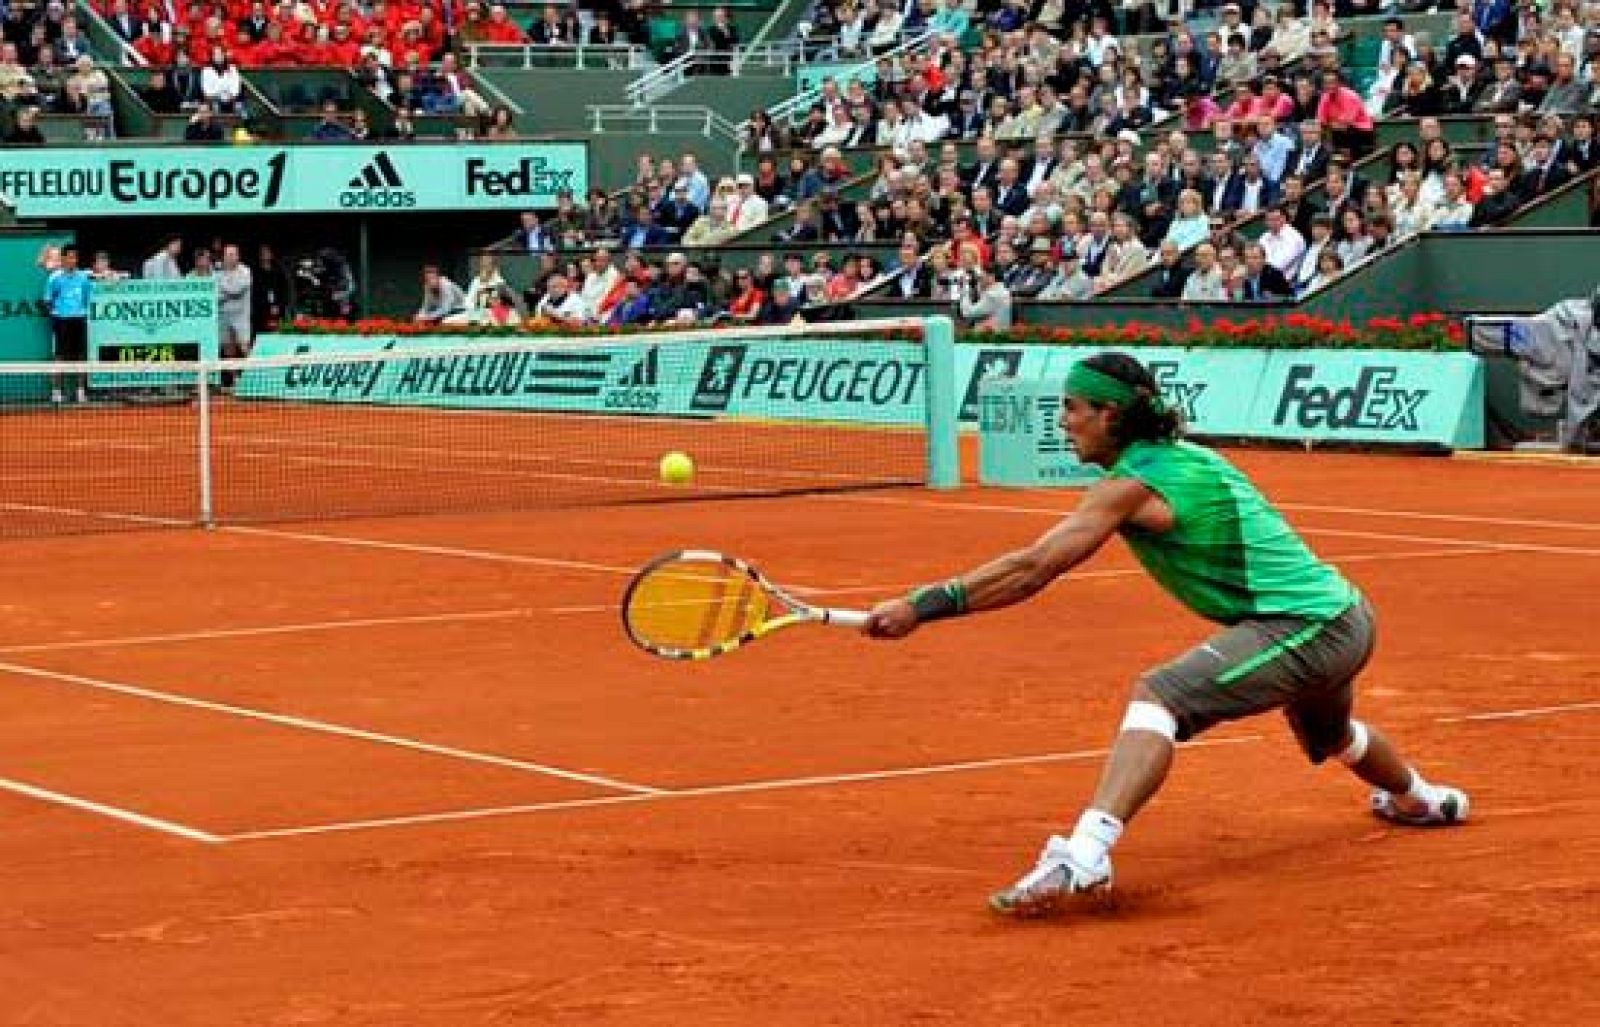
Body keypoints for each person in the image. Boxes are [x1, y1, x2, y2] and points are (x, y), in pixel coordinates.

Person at [861, 353, 1469, 918]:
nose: (1064, 419)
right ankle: (1420, 799)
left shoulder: (1136, 482)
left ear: (1110, 414)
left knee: (1162, 695)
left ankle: (1085, 856)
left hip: (1311, 627)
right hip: (1343, 616)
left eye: (1074, 407)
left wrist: (921, 607)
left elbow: (1032, 569)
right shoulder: (1173, 459)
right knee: (1329, 734)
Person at [43, 245, 93, 405]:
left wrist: (78, 311)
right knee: (60, 356)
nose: (73, 260)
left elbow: (86, 298)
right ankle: (56, 392)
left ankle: (80, 392)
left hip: (79, 319)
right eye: (70, 257)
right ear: (63, 259)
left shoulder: (83, 278)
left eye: (75, 257)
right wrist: (58, 313)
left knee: (80, 356)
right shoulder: (54, 278)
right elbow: (48, 300)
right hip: (61, 320)